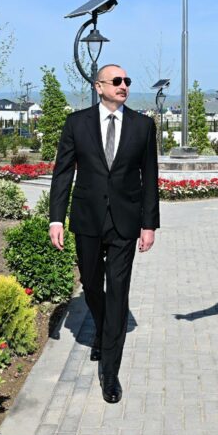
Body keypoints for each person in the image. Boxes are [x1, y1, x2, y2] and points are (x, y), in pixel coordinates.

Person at [48, 64, 160, 404]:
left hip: (125, 223)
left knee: (118, 294)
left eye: (127, 81)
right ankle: (100, 327)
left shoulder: (143, 126)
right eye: (116, 81)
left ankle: (110, 372)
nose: (123, 85)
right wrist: (56, 219)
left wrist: (149, 224)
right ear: (99, 87)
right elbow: (63, 173)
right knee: (92, 284)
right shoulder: (76, 123)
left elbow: (149, 177)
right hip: (88, 220)